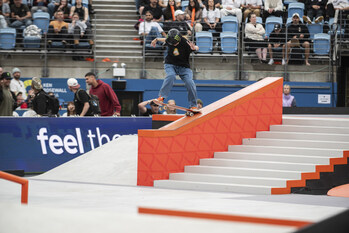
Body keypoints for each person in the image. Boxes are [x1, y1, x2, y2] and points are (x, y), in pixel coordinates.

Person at [151, 28, 199, 109]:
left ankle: (193, 105)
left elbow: (196, 47)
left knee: (190, 83)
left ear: (179, 40)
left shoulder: (185, 43)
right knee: (171, 76)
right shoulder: (170, 40)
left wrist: (194, 48)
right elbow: (165, 39)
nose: (173, 45)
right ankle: (161, 97)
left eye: (175, 43)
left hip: (184, 67)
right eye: (172, 43)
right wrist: (156, 39)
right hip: (170, 64)